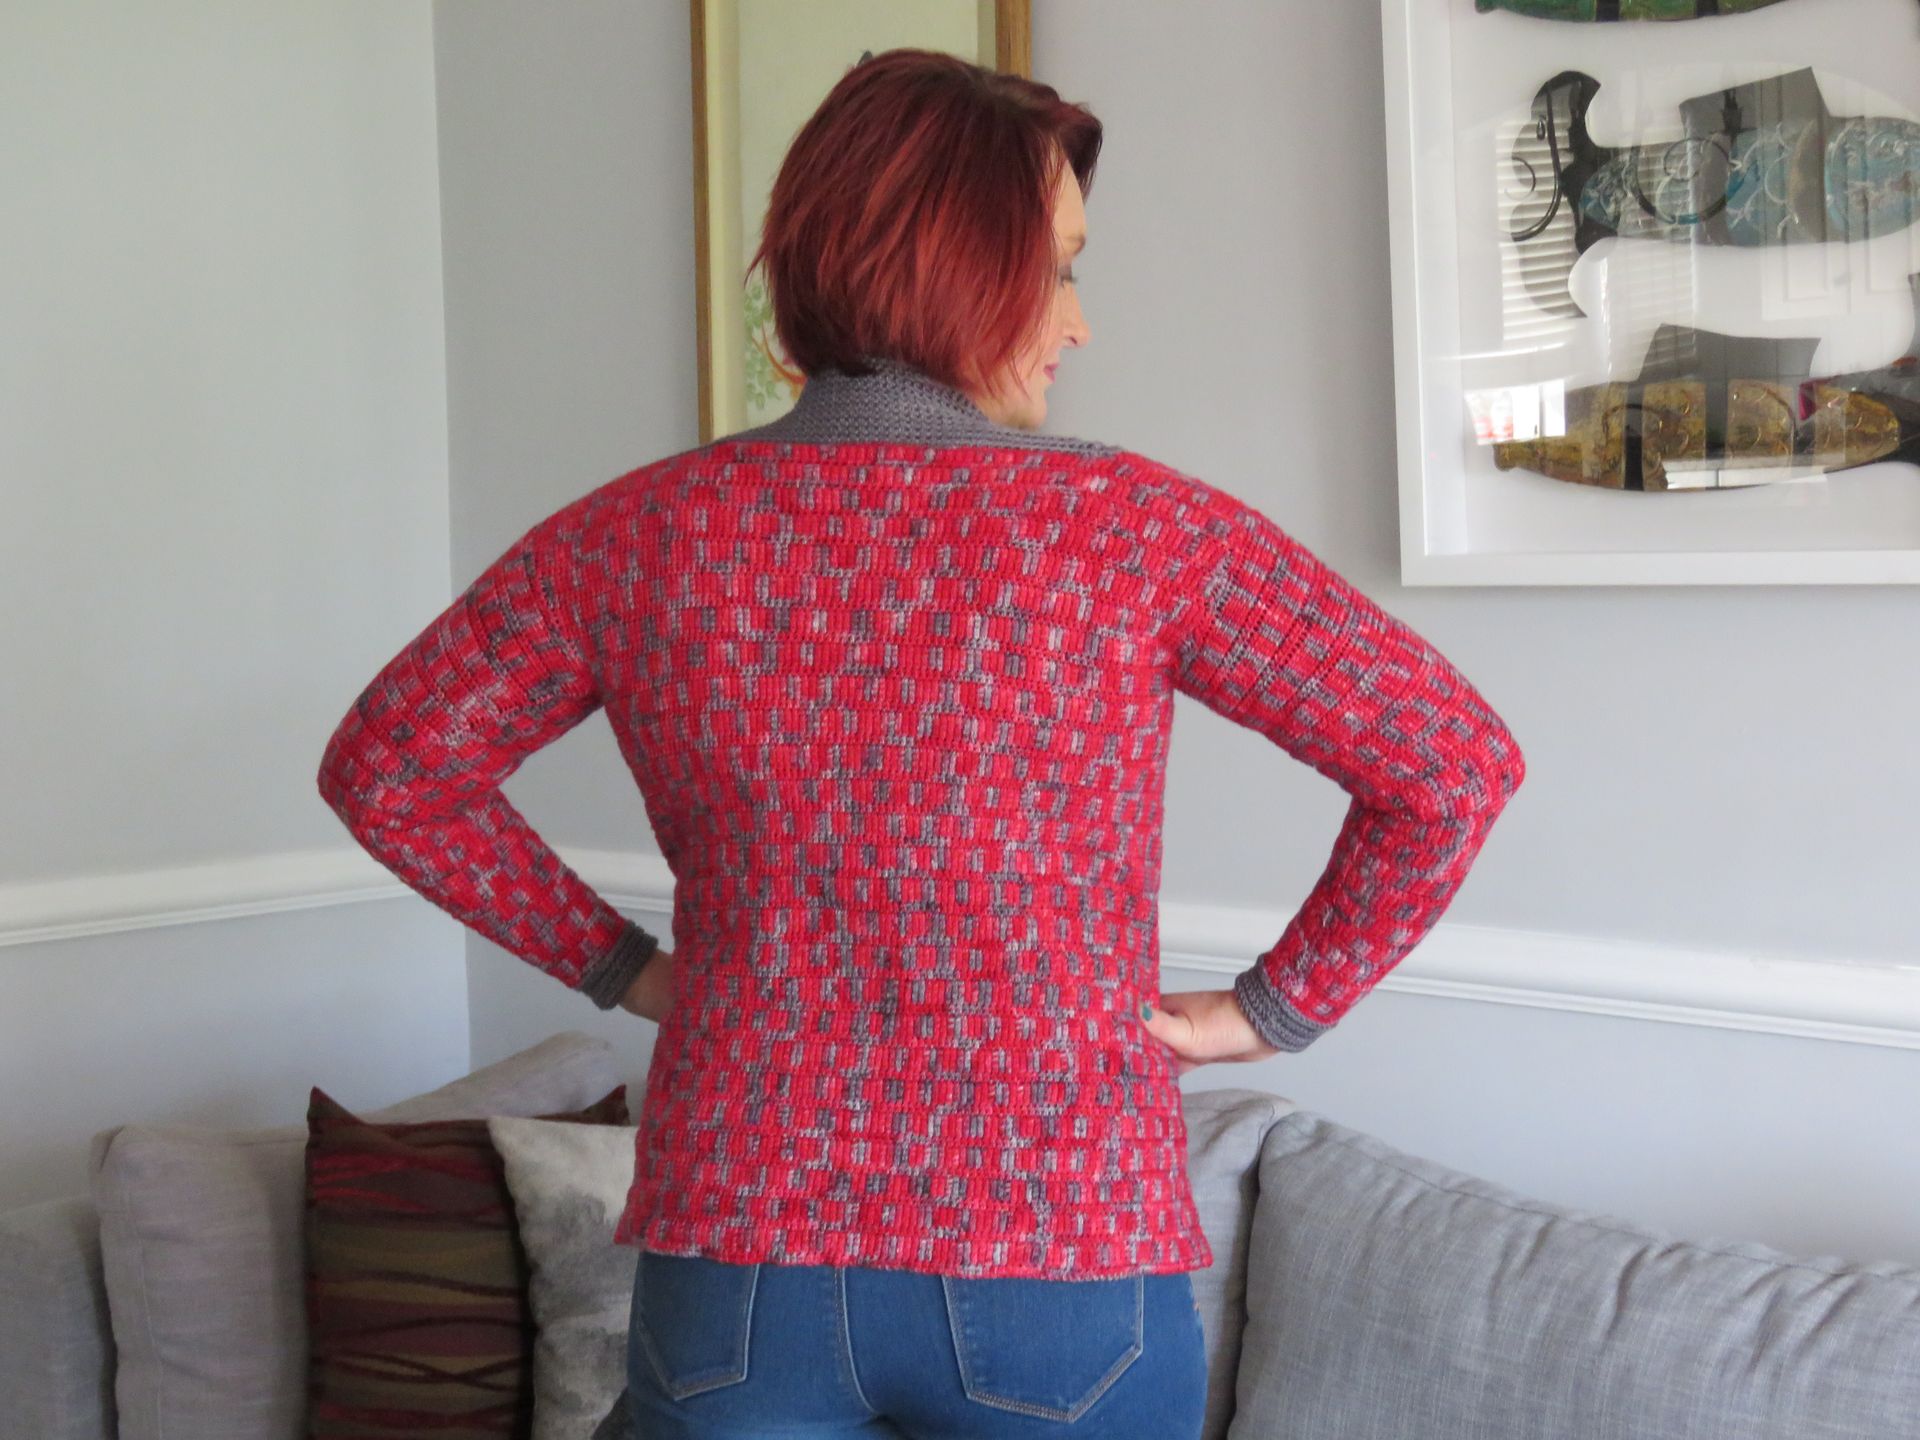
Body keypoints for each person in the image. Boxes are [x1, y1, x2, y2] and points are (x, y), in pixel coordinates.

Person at [316, 46, 1526, 1440]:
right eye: (1059, 270)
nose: (1078, 323)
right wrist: (1268, 1011)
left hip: (740, 1262)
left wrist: (631, 974)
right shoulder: (1139, 532)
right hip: (1061, 1251)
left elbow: (391, 771)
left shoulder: (637, 535)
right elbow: (1453, 762)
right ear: (966, 270)